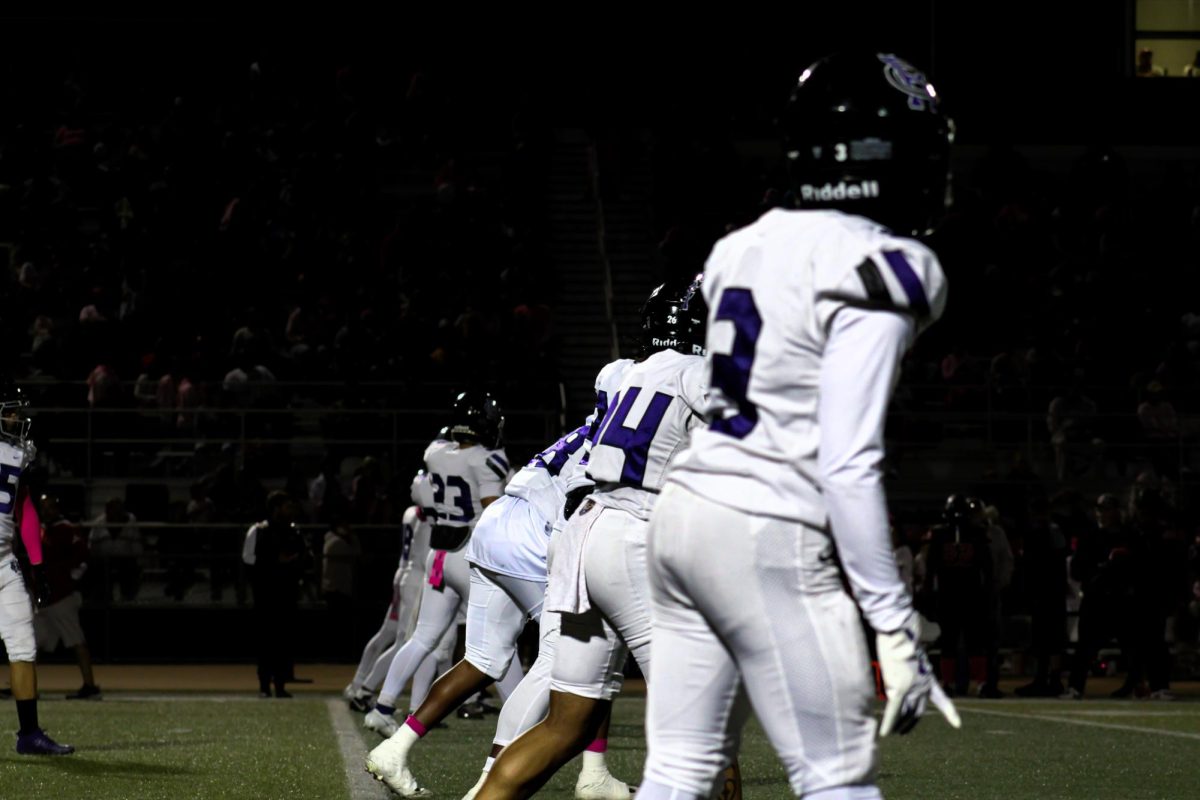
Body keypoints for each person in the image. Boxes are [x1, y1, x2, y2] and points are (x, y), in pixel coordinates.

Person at [631, 52, 960, 800]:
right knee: (837, 780)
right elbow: (847, 460)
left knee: (678, 771)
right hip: (766, 526)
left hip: (682, 518)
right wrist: (895, 622)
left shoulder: (736, 248)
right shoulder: (889, 262)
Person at [476, 276, 716, 800]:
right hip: (638, 536)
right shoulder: (701, 375)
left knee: (567, 724)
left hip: (585, 531)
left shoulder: (628, 374)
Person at [366, 357, 634, 799]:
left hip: (492, 528)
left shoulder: (587, 429)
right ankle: (491, 788)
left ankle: (396, 748)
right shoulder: (626, 438)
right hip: (533, 535)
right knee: (564, 659)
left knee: (485, 660)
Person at [362, 392, 521, 739]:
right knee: (502, 636)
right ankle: (524, 721)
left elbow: (443, 440)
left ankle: (384, 706)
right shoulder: (487, 459)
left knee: (422, 637)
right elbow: (494, 512)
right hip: (472, 556)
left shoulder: (434, 453)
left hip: (438, 555)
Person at [0, 377, 75, 754]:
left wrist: (39, 565)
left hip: (3, 562)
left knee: (24, 644)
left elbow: (24, 507)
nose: (15, 419)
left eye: (16, 412)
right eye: (8, 412)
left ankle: (28, 734)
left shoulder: (18, 452)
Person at [242, 491, 308, 698]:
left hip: (287, 594)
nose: (290, 511)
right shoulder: (258, 530)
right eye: (286, 506)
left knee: (283, 640)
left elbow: (305, 558)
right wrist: (274, 561)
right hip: (266, 594)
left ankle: (280, 684)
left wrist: (295, 562)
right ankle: (264, 685)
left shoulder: (294, 531)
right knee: (266, 641)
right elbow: (248, 558)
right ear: (276, 508)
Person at [34, 494, 100, 700]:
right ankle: (24, 686)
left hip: (61, 597)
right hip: (44, 597)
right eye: (43, 507)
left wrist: (69, 579)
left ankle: (90, 686)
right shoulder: (43, 529)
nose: (47, 511)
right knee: (29, 643)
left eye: (50, 507)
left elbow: (83, 557)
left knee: (76, 640)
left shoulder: (65, 529)